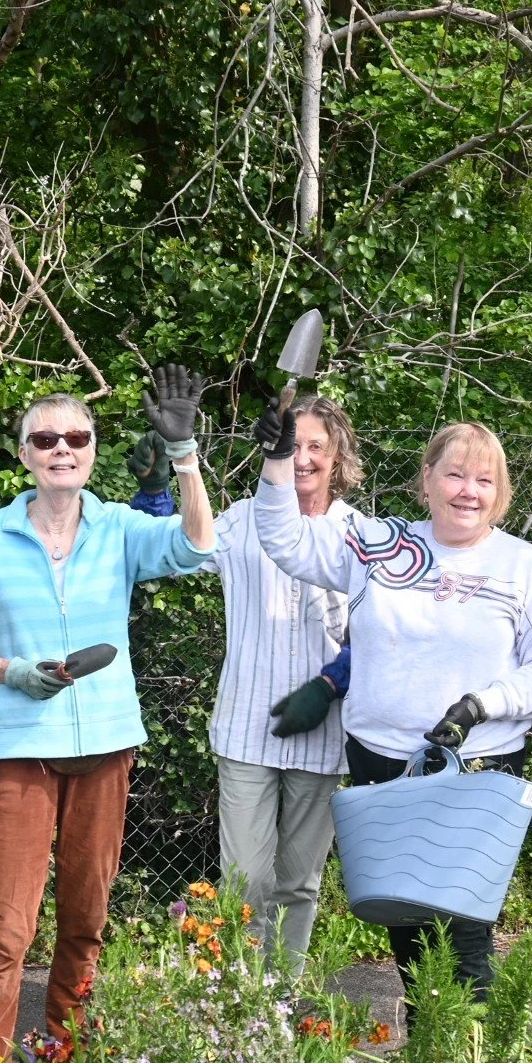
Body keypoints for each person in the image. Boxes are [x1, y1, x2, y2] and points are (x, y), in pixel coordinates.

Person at [0, 368, 216, 1063]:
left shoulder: (119, 527)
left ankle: (66, 1058)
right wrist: (11, 672)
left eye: (77, 437)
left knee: (86, 918)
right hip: (23, 744)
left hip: (107, 744)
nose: (63, 447)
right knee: (6, 921)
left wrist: (185, 459)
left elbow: (196, 547)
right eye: (46, 437)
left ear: (91, 452)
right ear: (24, 454)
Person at [253, 412, 532, 1004]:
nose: (467, 492)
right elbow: (284, 541)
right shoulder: (381, 545)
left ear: (500, 492)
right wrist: (277, 463)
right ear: (426, 479)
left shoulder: (523, 565)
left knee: (464, 929)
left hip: (475, 769)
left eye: (484, 481)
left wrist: (484, 704)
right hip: (381, 763)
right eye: (455, 475)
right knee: (406, 926)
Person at [200, 395, 363, 968]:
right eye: (294, 444)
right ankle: (239, 1010)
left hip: (322, 733)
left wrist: (329, 683)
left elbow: (379, 636)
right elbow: (174, 550)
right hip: (247, 726)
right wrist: (158, 485)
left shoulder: (361, 536)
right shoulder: (240, 520)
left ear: (337, 455)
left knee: (298, 883)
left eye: (317, 446)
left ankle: (284, 1005)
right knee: (243, 885)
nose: (304, 458)